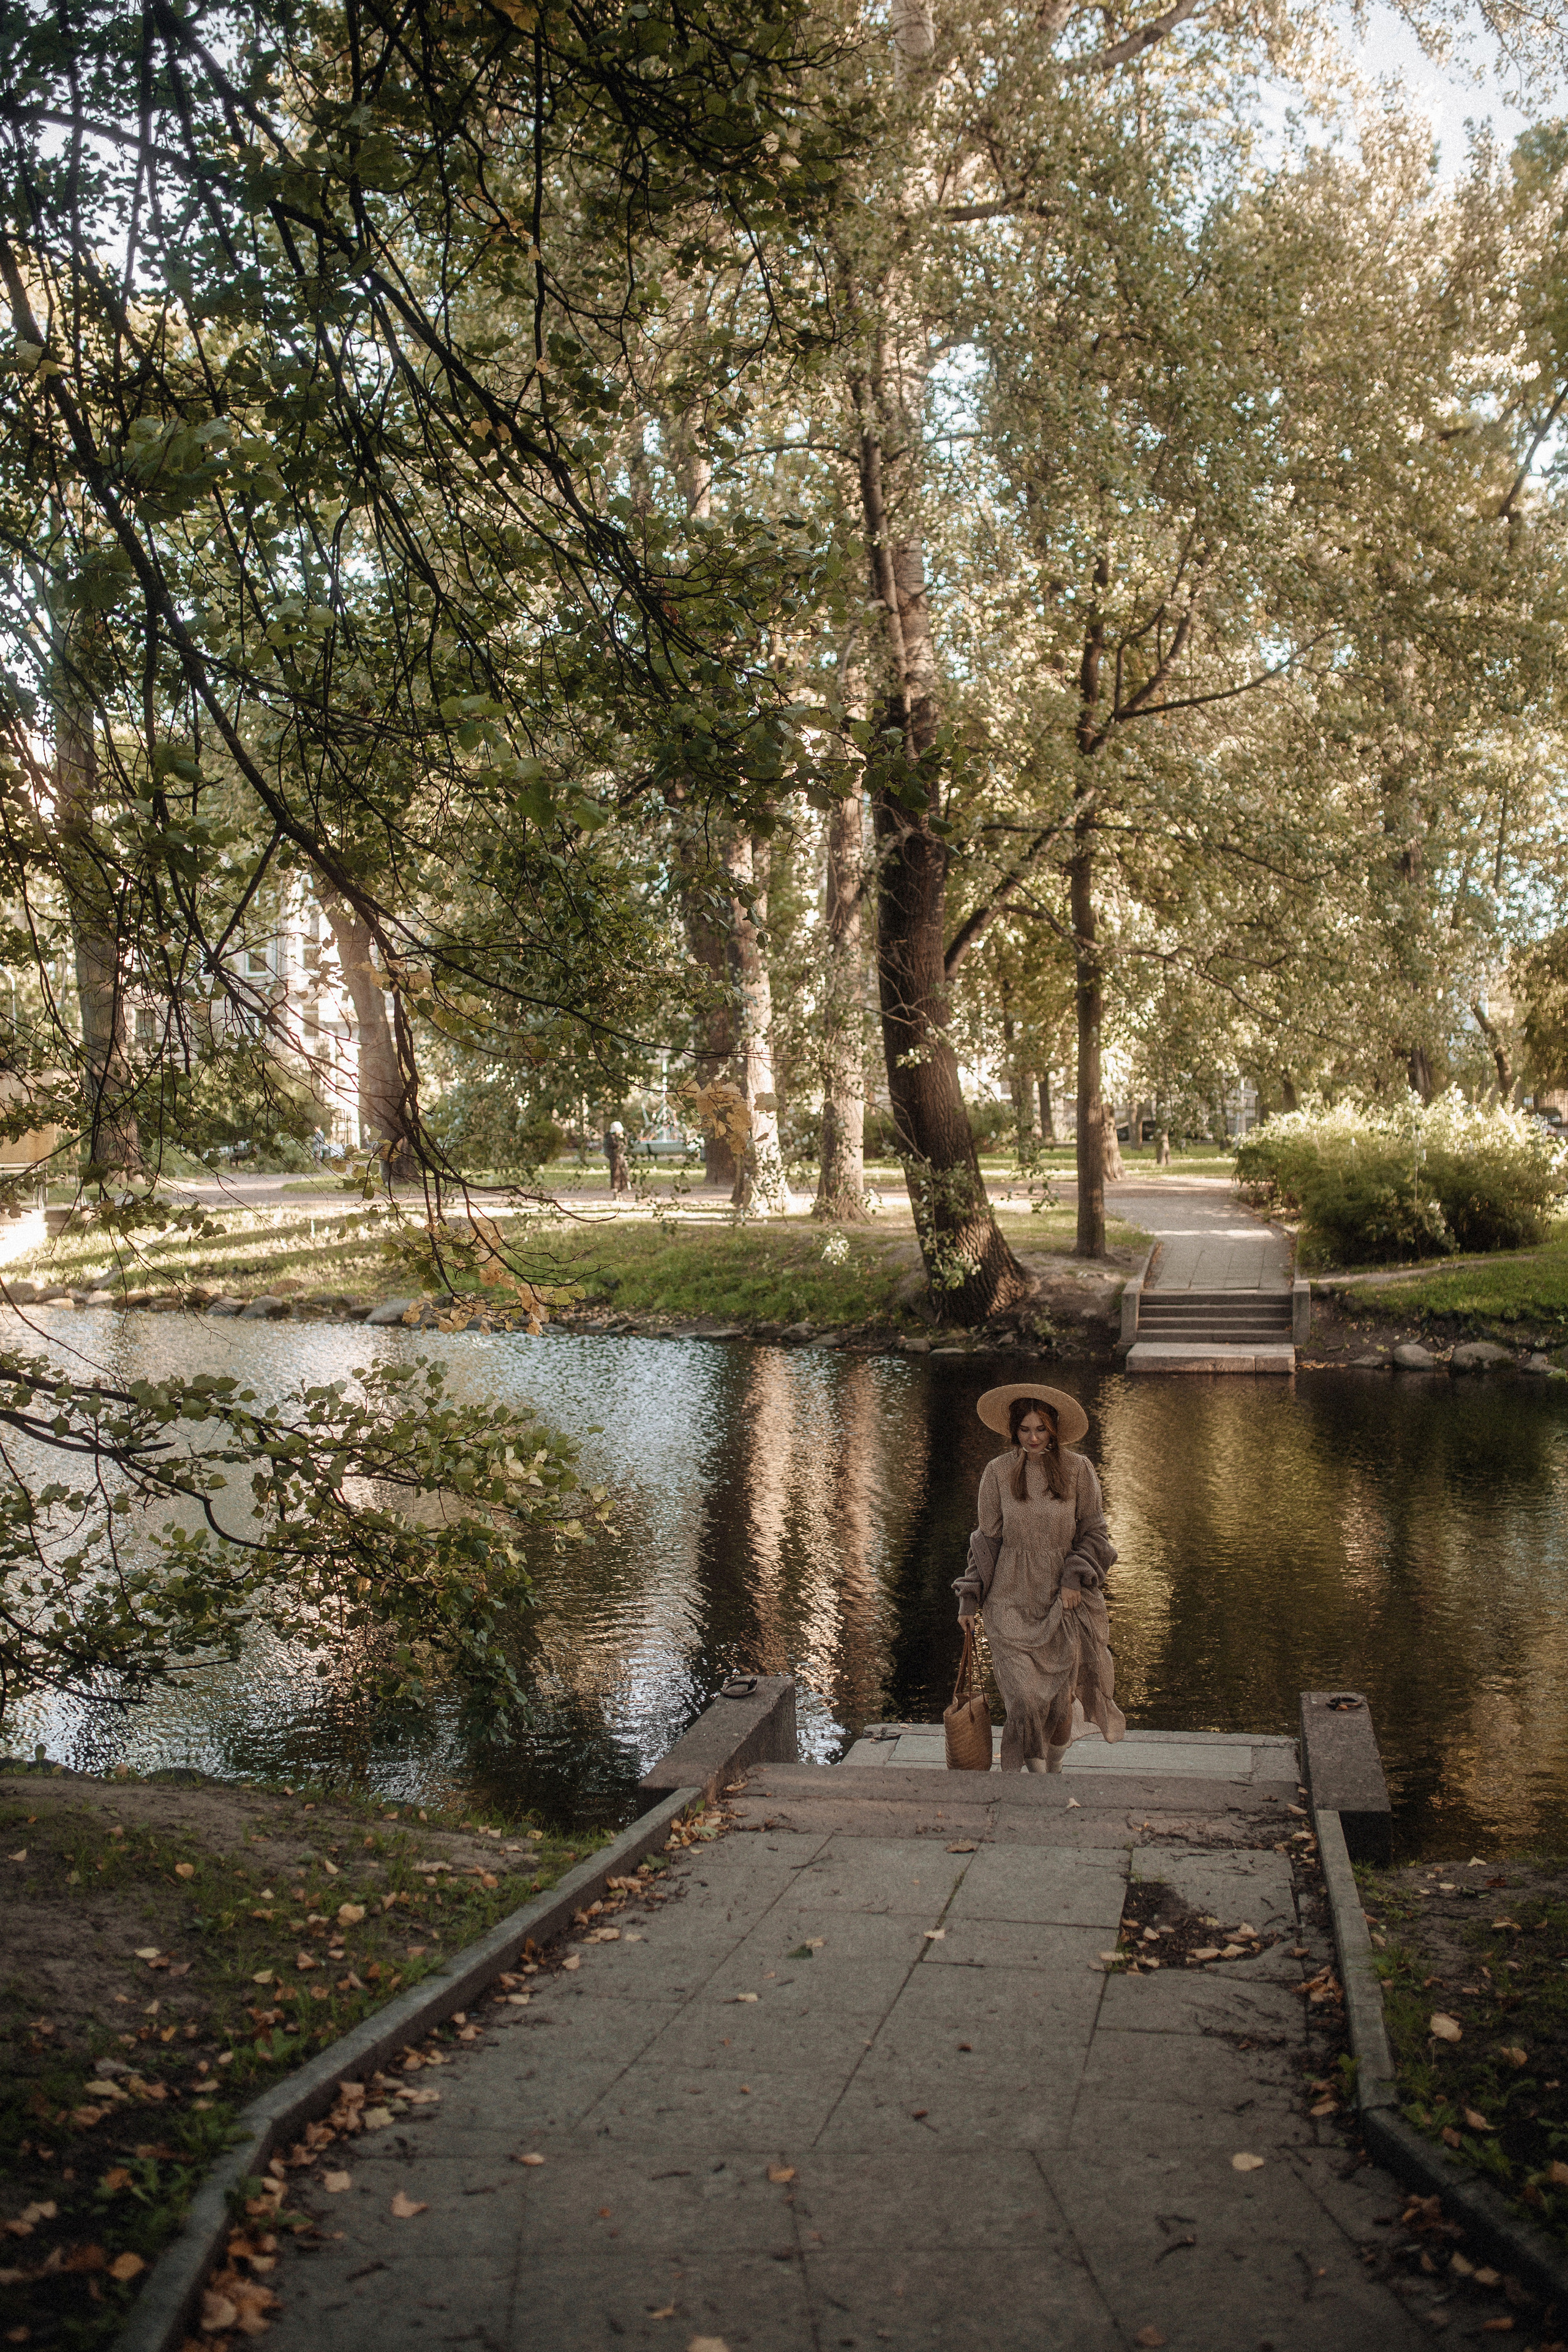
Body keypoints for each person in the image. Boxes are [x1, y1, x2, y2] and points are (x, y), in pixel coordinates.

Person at [952, 1383, 1126, 1773]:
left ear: (1054, 1430)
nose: (1033, 1438)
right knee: (1025, 1699)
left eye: (1041, 1429)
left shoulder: (1078, 1470)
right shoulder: (997, 1472)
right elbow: (986, 1542)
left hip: (1062, 1602)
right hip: (1008, 1600)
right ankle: (1037, 1782)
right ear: (1014, 1430)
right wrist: (969, 1598)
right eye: (1025, 1429)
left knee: (1060, 1707)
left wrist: (1073, 1577)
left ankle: (1054, 1769)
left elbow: (1095, 1533)